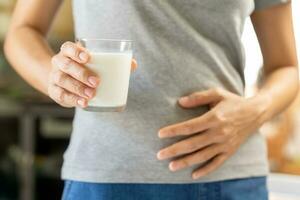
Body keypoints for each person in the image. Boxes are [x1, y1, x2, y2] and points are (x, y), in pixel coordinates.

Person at [4, 0, 298, 199]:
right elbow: (22, 31)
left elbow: (286, 66)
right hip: (107, 176)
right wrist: (54, 77)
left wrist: (254, 110)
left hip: (230, 176)